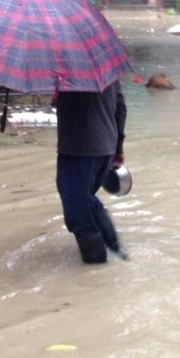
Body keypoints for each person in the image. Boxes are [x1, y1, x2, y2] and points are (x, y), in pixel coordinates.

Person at [55, 80, 128, 264]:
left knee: (77, 209)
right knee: (86, 200)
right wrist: (118, 146)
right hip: (106, 147)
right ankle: (115, 250)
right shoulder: (103, 66)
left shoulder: (68, 73)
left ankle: (96, 265)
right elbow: (120, 106)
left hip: (79, 148)